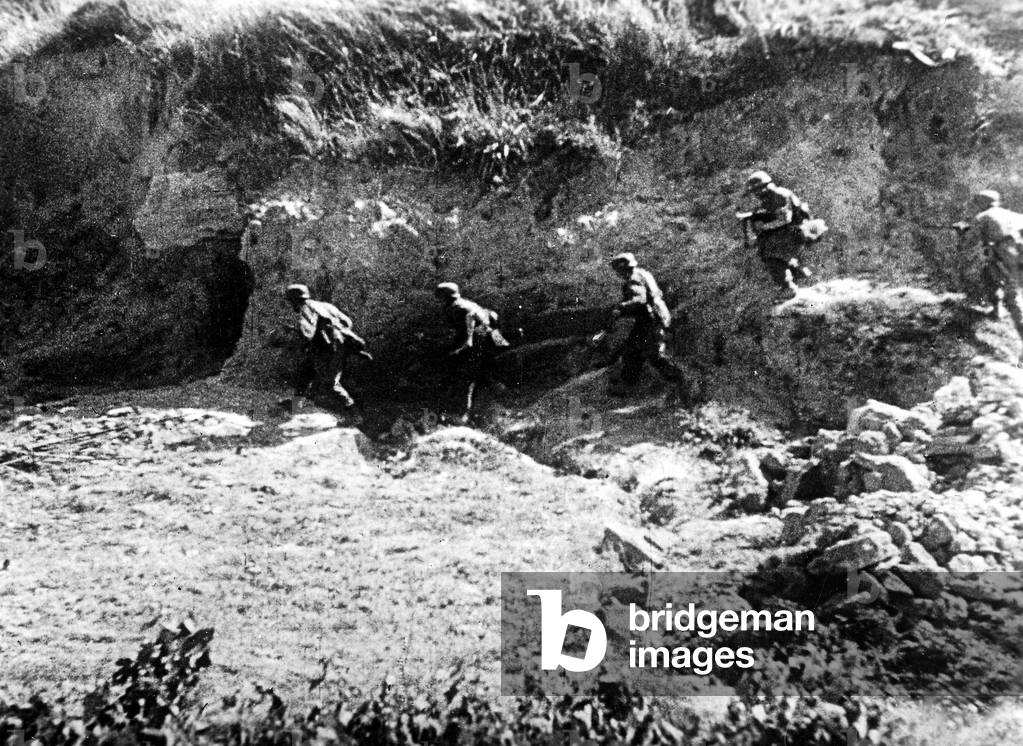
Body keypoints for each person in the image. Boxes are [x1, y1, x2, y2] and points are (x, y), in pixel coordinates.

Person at [606, 253, 687, 397]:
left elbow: (639, 300)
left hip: (651, 321)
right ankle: (625, 385)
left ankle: (683, 380)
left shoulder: (633, 279)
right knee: (633, 352)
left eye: (617, 271)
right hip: (652, 318)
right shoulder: (643, 274)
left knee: (655, 356)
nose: (617, 274)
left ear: (622, 269)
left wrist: (620, 308)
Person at [284, 284, 370, 412]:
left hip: (328, 349)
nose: (291, 306)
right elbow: (347, 322)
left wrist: (294, 338)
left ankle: (353, 413)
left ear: (295, 300)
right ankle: (295, 408)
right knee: (305, 373)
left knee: (330, 384)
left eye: (291, 302)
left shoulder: (305, 308)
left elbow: (307, 334)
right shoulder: (325, 305)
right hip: (336, 344)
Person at [435, 282, 510, 421]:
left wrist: (467, 342)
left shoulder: (456, 307)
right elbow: (488, 315)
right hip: (487, 336)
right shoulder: (466, 303)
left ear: (445, 297)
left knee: (467, 376)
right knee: (479, 374)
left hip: (478, 338)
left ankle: (464, 414)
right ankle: (502, 399)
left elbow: (470, 319)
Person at [740, 170, 814, 296]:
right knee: (771, 252)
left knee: (772, 256)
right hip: (792, 231)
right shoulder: (773, 195)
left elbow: (786, 219)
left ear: (763, 187)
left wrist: (764, 226)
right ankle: (802, 274)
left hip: (795, 231)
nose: (756, 195)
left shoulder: (778, 195)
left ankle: (789, 288)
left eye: (757, 190)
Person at [969, 190, 1023, 349]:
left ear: (982, 203)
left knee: (1012, 297)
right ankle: (997, 309)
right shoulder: (1015, 215)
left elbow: (971, 239)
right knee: (988, 273)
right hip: (1018, 256)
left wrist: (962, 231)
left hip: (1004, 257)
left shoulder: (983, 217)